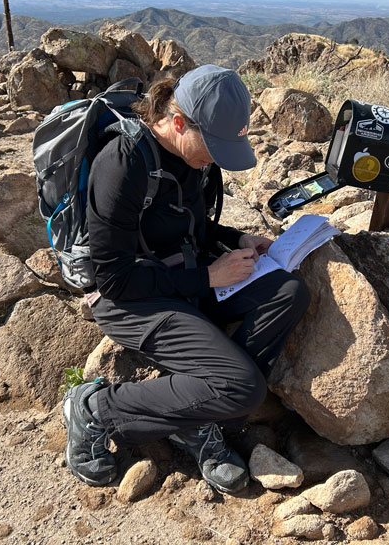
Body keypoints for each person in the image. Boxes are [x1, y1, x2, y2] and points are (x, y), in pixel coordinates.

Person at [61, 65, 311, 493]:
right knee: (243, 387)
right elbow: (115, 277)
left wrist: (238, 238)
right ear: (177, 122)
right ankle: (96, 408)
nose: (215, 157)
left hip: (186, 276)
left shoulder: (191, 157)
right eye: (212, 145)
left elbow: (188, 227)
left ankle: (196, 421)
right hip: (130, 298)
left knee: (288, 292)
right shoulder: (122, 163)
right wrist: (208, 277)